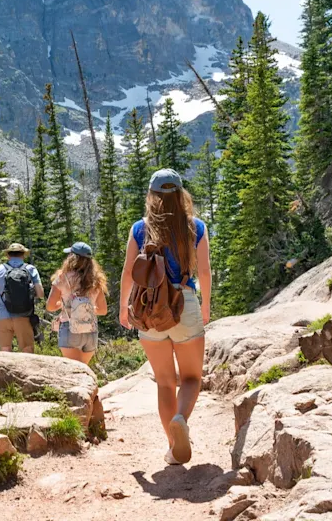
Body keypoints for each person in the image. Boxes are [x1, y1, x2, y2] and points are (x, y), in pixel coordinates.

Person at [119, 169, 212, 466]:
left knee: (163, 382)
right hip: (183, 302)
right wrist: (206, 307)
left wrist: (124, 308)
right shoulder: (195, 227)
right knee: (191, 378)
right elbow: (205, 272)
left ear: (152, 195)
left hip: (149, 309)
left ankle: (173, 448)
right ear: (181, 195)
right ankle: (181, 419)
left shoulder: (139, 228)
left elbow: (127, 273)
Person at [45, 242, 108, 365]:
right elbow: (103, 310)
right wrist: (85, 309)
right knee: (84, 369)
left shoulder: (63, 278)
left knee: (75, 373)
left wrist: (66, 306)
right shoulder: (96, 280)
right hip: (90, 330)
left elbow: (50, 306)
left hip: (70, 329)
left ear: (72, 258)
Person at [0, 243, 44, 353]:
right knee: (27, 350)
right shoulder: (30, 269)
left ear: (8, 255)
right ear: (23, 255)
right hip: (24, 316)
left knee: (5, 351)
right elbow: (41, 294)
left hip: (2, 316)